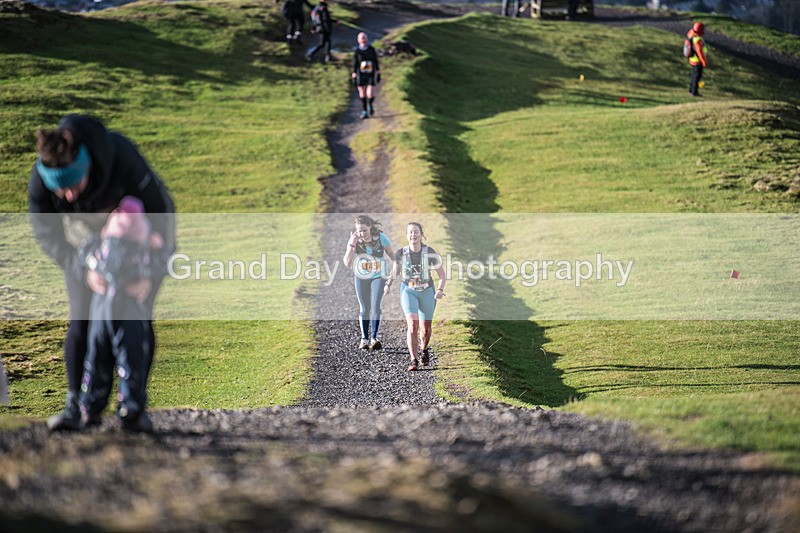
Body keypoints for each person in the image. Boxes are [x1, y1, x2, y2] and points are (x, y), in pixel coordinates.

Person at [28, 114, 175, 431]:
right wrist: (84, 270)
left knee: (135, 320)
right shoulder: (41, 180)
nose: (69, 196)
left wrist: (151, 271)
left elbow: (162, 211)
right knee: (82, 318)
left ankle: (133, 408)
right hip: (84, 250)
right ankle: (78, 407)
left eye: (73, 185)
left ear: (88, 168)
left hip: (139, 245)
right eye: (60, 191)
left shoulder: (121, 156)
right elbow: (48, 235)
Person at [79, 197, 162, 432]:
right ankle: (129, 409)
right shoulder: (141, 248)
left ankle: (90, 407)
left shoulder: (102, 244)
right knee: (130, 357)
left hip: (102, 308)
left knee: (97, 357)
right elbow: (157, 262)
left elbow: (84, 253)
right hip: (127, 309)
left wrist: (92, 267)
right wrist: (150, 267)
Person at [384, 222, 446, 371]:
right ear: (407, 235)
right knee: (412, 324)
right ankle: (413, 360)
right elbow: (395, 271)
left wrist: (440, 290)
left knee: (426, 328)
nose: (413, 235)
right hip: (408, 290)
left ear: (421, 234)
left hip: (427, 291)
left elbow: (442, 275)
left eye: (416, 232)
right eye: (410, 232)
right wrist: (388, 284)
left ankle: (424, 349)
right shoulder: (401, 253)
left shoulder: (429, 252)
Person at [343, 215, 395, 350]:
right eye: (359, 231)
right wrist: (352, 244)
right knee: (364, 308)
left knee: (376, 305)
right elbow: (347, 263)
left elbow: (394, 258)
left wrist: (392, 276)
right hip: (361, 276)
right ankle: (364, 339)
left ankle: (374, 339)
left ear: (370, 227)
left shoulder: (381, 238)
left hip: (379, 276)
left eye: (364, 230)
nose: (362, 234)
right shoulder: (354, 240)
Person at [352, 32, 381, 120]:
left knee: (370, 93)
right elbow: (355, 63)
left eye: (364, 38)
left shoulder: (371, 49)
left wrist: (378, 71)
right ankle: (364, 111)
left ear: (367, 39)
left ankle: (370, 104)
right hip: (361, 73)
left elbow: (375, 60)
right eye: (361, 38)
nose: (363, 40)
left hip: (370, 73)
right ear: (358, 40)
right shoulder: (357, 51)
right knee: (362, 93)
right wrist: (354, 73)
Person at [687, 21, 709, 97]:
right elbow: (699, 51)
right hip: (697, 61)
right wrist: (704, 61)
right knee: (697, 77)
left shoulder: (691, 35)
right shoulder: (698, 39)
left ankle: (691, 90)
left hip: (692, 59)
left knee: (693, 76)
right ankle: (694, 92)